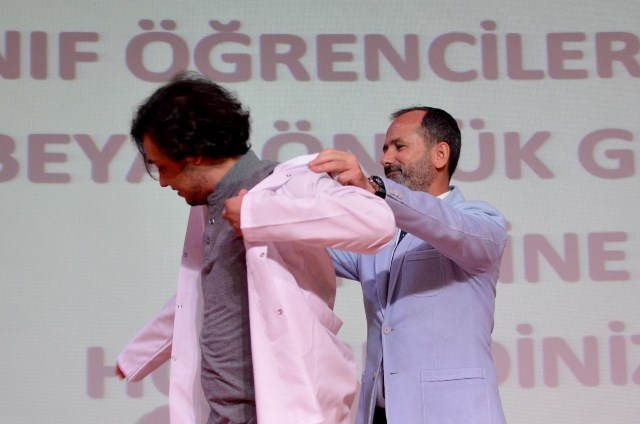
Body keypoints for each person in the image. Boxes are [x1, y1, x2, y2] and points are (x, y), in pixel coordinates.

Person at [115, 71, 396, 424]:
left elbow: (377, 223)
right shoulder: (209, 208)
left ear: (195, 153)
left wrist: (257, 213)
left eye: (163, 168)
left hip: (284, 410)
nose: (164, 182)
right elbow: (199, 297)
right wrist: (135, 357)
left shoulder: (286, 183)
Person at [308, 106, 508, 424]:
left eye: (399, 147)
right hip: (380, 414)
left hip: (451, 415)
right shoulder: (379, 234)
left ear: (440, 154)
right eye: (385, 148)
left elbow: (447, 227)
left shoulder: (480, 222)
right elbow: (311, 248)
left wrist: (377, 190)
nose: (386, 159)